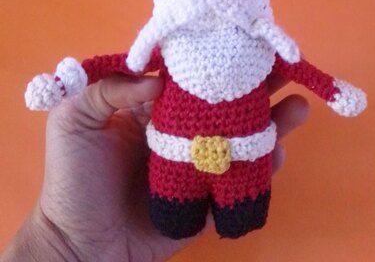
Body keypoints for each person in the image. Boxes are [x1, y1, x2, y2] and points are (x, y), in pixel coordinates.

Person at [2, 73, 309, 261]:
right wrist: (64, 243)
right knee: (178, 215)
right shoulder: (165, 41)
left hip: (236, 160)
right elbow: (118, 65)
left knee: (240, 213)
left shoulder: (258, 45)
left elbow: (297, 66)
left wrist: (68, 249)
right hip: (174, 167)